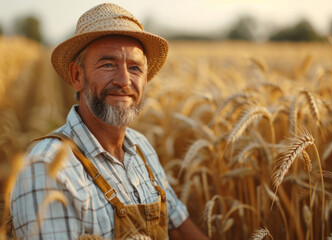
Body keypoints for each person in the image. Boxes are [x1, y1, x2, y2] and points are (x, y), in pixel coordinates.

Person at [10, 3, 208, 239]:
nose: (124, 80)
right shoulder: (45, 169)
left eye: (135, 68)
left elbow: (177, 226)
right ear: (77, 76)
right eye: (108, 64)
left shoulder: (142, 148)